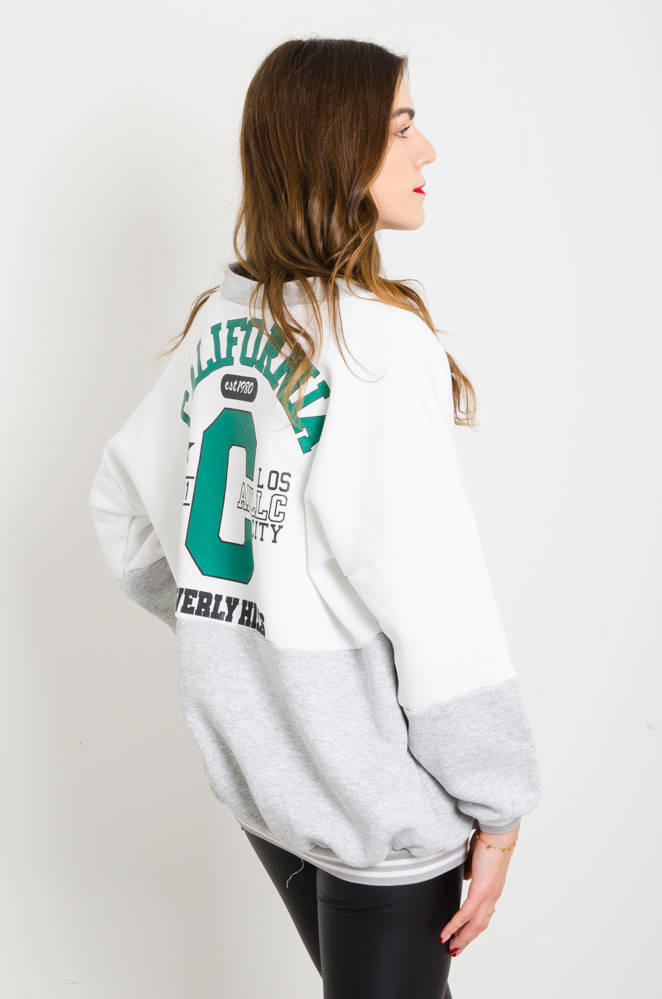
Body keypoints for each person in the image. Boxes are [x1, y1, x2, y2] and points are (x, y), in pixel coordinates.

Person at [88, 37, 542, 999]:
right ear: (339, 147)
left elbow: (123, 511)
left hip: (274, 790)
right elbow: (433, 594)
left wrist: (237, 644)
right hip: (373, 807)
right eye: (402, 128)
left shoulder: (226, 321)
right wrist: (499, 804)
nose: (427, 150)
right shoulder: (376, 341)